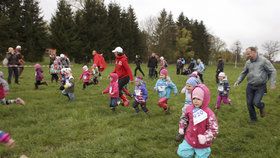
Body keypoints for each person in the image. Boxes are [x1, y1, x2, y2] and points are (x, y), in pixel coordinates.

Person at [234, 47, 276, 123]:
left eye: (248, 54)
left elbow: (272, 71)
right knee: (249, 103)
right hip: (250, 86)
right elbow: (244, 73)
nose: (247, 55)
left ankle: (261, 106)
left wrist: (272, 83)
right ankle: (253, 119)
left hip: (260, 86)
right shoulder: (248, 63)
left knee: (256, 102)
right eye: (246, 54)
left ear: (254, 52)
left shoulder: (263, 61)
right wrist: (238, 81)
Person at [177, 84, 218, 158]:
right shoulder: (189, 109)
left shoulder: (209, 113)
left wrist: (206, 137)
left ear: (205, 99)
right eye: (194, 98)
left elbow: (213, 128)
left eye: (198, 99)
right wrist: (182, 127)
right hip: (189, 138)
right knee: (182, 152)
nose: (195, 101)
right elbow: (184, 118)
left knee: (201, 156)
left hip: (202, 143)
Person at [176, 77, 200, 142]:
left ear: (195, 87)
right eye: (186, 85)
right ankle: (181, 132)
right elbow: (183, 90)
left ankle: (194, 134)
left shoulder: (197, 93)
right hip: (186, 108)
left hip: (195, 110)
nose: (187, 87)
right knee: (183, 118)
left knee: (194, 122)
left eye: (189, 86)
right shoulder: (187, 90)